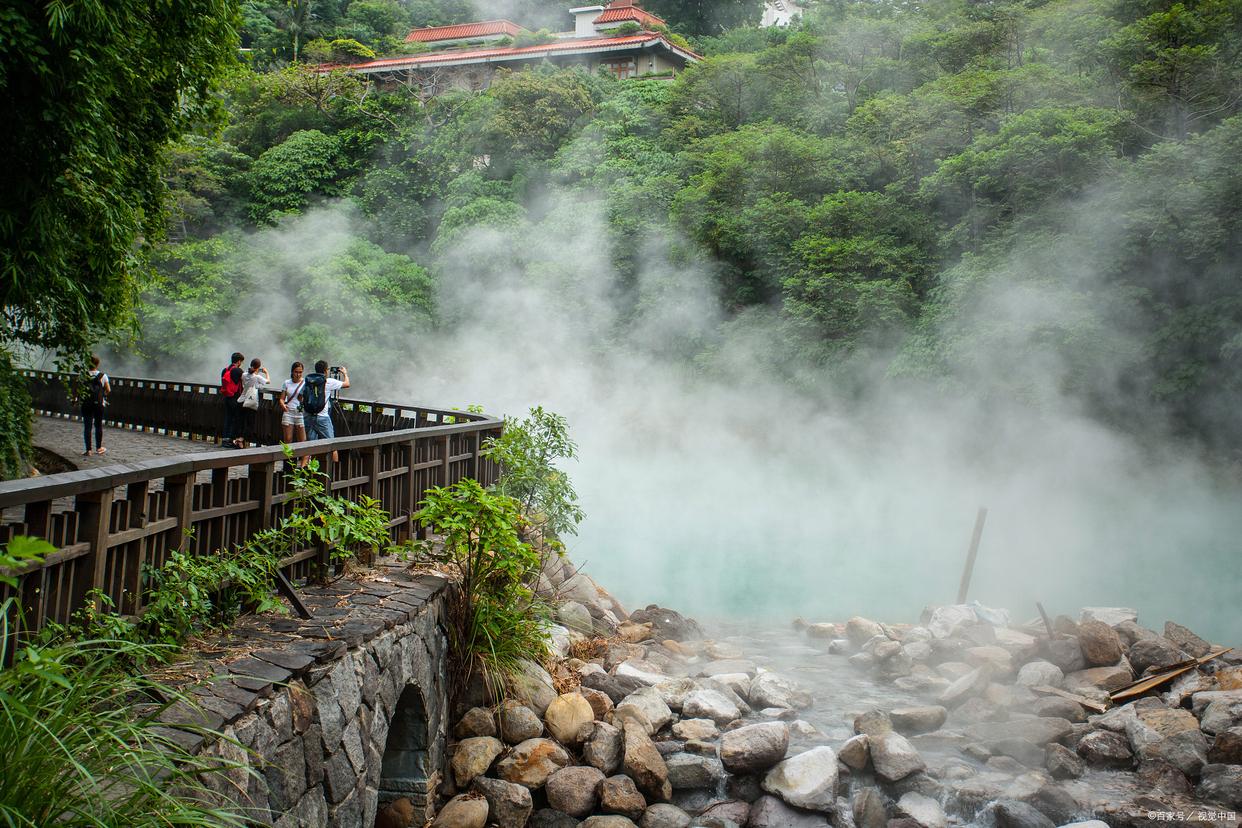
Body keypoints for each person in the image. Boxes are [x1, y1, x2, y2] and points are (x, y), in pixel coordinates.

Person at [303, 361, 349, 443]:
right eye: (327, 369)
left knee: (308, 446)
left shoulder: (308, 381)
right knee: (331, 445)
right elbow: (347, 384)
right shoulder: (329, 381)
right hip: (322, 416)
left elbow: (301, 396)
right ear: (325, 371)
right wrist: (345, 373)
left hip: (308, 416)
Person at [81, 355, 110, 457]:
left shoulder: (83, 375)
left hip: (86, 404)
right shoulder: (103, 376)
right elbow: (108, 390)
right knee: (98, 425)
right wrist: (102, 396)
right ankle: (99, 448)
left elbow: (78, 390)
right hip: (99, 404)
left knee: (87, 427)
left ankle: (88, 450)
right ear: (97, 364)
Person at [238, 357, 270, 448]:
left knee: (242, 421)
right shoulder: (257, 377)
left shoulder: (244, 375)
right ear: (258, 367)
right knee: (250, 423)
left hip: (241, 400)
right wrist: (266, 372)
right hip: (251, 401)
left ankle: (239, 439)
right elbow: (268, 381)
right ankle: (241, 439)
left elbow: (247, 382)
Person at [280, 361, 308, 451]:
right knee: (288, 439)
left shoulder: (305, 383)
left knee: (302, 440)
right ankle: (287, 460)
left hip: (300, 413)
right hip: (288, 412)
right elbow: (282, 398)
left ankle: (301, 460)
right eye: (296, 372)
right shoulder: (287, 383)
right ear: (292, 372)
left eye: (300, 372)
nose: (298, 374)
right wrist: (282, 404)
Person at [220, 351, 245, 449]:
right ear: (239, 361)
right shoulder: (238, 371)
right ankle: (232, 440)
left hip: (227, 397)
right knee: (236, 419)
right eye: (241, 362)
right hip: (235, 398)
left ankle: (225, 440)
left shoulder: (225, 370)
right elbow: (247, 380)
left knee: (228, 418)